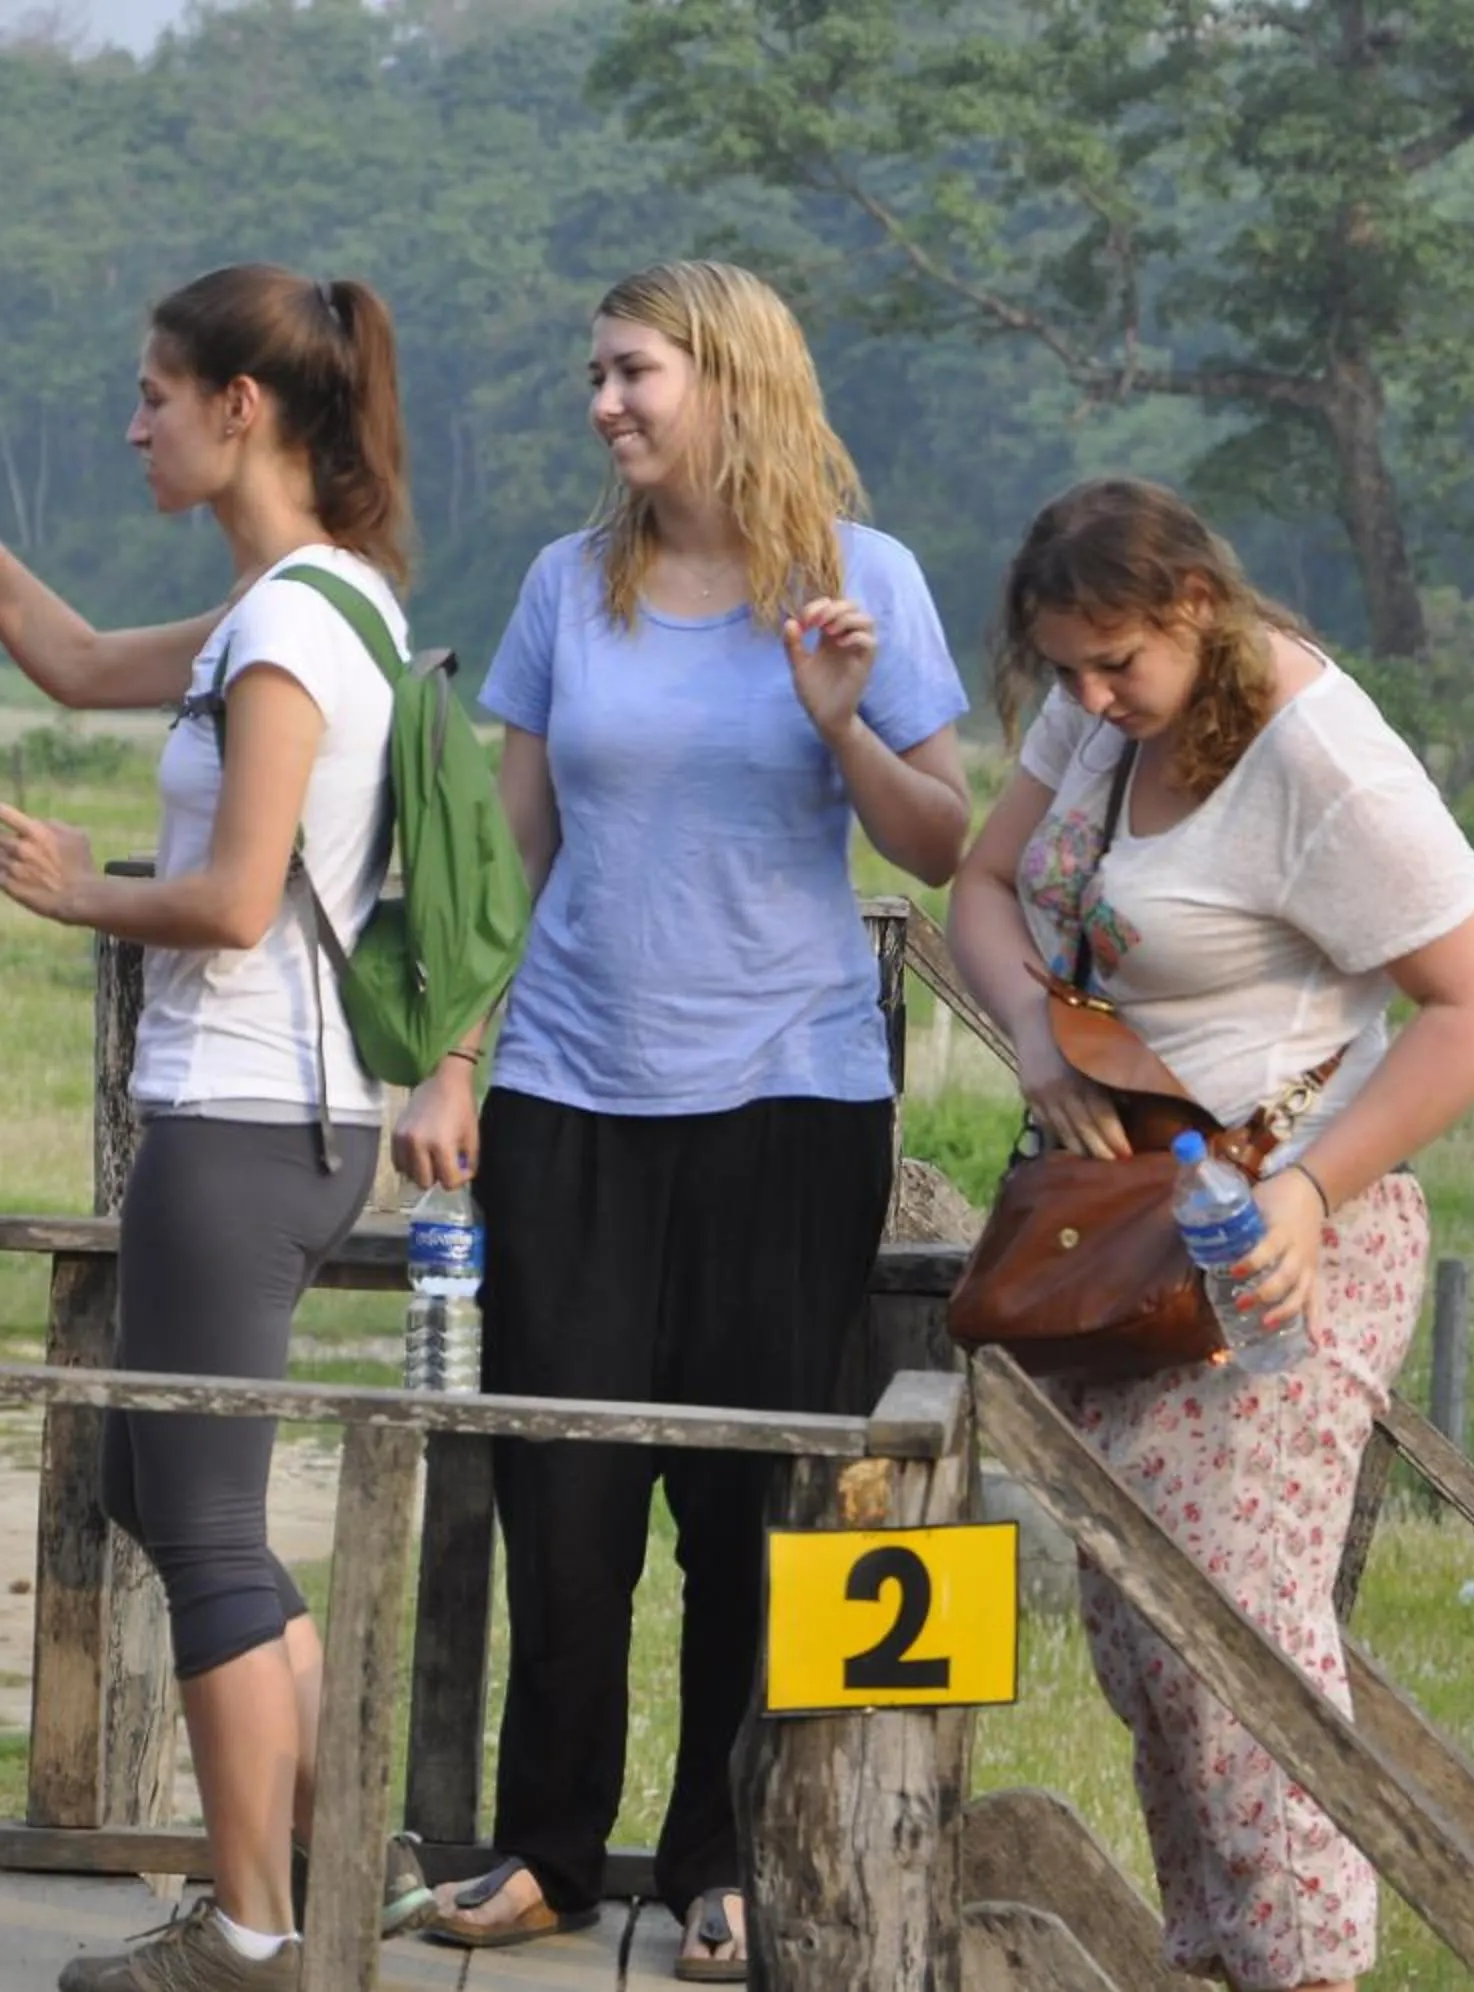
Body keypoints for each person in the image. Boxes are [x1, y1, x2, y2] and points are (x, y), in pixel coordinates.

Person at [0, 262, 434, 1992]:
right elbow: (83, 662)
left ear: (241, 408)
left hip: (243, 1118)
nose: (133, 425)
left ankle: (252, 1932)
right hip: (282, 1120)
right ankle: (340, 1854)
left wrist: (84, 890)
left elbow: (237, 898)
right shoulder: (311, 603)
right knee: (182, 1498)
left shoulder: (291, 631)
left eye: (154, 395)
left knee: (210, 1525)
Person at [392, 259, 971, 1980]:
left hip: (790, 1100)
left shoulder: (864, 580)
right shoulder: (568, 588)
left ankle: (728, 1858)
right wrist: (452, 1061)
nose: (604, 406)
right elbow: (506, 851)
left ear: (729, 377)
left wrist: (841, 723)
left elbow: (943, 841)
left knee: (746, 1507)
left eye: (632, 373)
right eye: (597, 376)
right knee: (562, 1497)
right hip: (572, 1092)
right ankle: (548, 1853)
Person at [943, 477, 1474, 1992]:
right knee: (1141, 1635)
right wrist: (1034, 1032)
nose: (1087, 699)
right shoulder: (1098, 710)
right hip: (1122, 1237)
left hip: (1281, 1245)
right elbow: (987, 884)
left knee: (1238, 1646)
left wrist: (1312, 1191)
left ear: (1196, 608)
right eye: (1064, 670)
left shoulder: (1321, 761)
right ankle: (1213, 1957)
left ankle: (1309, 1968)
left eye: (1114, 665)